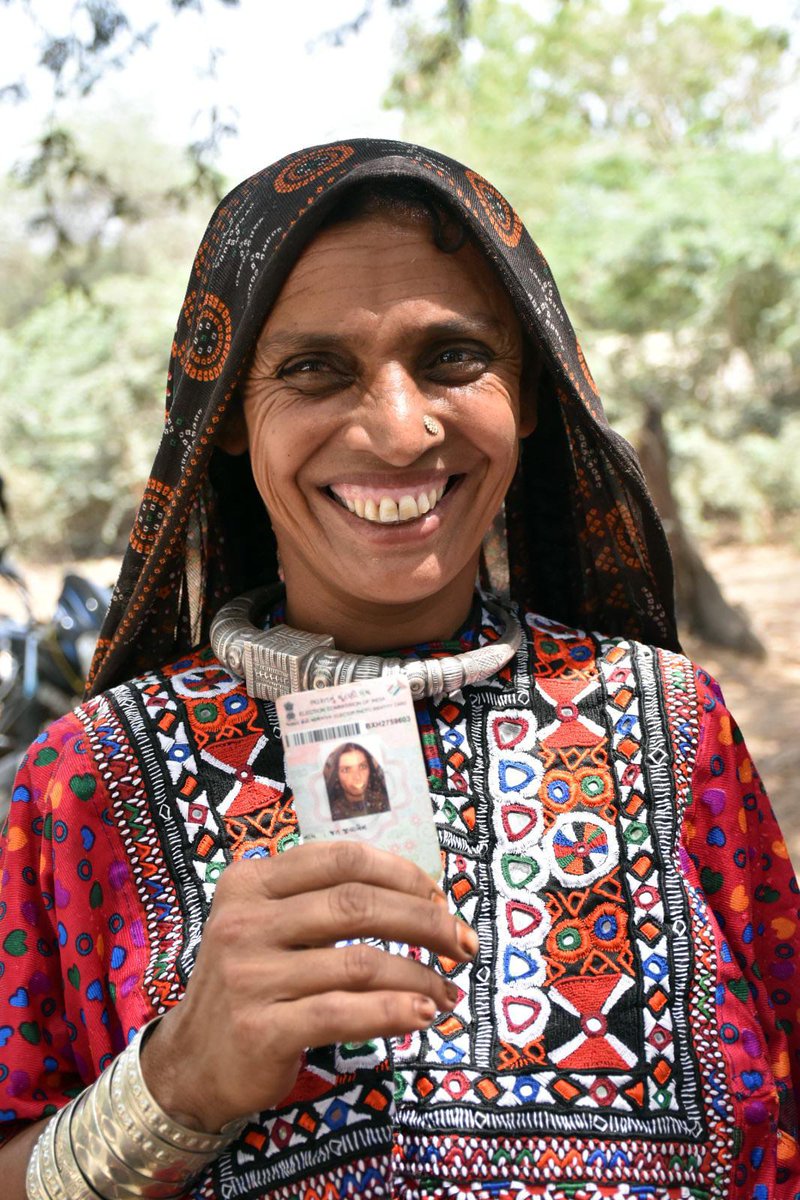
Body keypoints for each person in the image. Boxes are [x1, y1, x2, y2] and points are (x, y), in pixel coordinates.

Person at [0, 139, 797, 1200]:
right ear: (229, 414)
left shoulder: (672, 722)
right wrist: (174, 1084)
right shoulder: (80, 783)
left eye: (453, 358)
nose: (395, 428)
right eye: (313, 368)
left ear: (526, 390)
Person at [323, 743, 390, 821]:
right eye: (346, 770)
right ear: (337, 775)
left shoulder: (386, 802)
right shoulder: (329, 813)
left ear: (370, 769)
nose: (357, 777)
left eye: (362, 766)